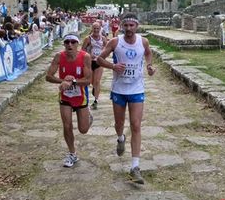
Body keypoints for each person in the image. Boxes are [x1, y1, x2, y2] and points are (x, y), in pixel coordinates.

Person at [96, 13, 156, 184]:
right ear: (122, 26)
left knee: (136, 125)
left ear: (136, 26)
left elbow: (148, 54)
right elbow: (99, 59)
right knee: (119, 124)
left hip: (137, 88)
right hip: (119, 89)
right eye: (126, 26)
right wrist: (113, 66)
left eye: (132, 25)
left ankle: (135, 167)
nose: (129, 29)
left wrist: (150, 66)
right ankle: (120, 138)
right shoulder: (115, 42)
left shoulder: (143, 41)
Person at [45, 33, 92, 168]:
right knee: (67, 125)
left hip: (80, 96)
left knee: (83, 129)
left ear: (77, 44)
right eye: (67, 42)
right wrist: (63, 81)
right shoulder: (59, 56)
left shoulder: (85, 57)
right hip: (65, 97)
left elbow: (88, 80)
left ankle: (88, 117)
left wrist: (74, 82)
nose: (69, 45)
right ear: (64, 44)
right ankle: (72, 153)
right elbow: (48, 76)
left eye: (73, 42)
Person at [81, 22, 107, 110]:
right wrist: (88, 54)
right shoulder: (88, 39)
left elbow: (106, 49)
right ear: (92, 29)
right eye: (94, 28)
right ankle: (94, 90)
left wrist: (102, 55)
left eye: (97, 29)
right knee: (91, 82)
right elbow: (82, 50)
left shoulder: (103, 39)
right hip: (89, 62)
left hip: (99, 62)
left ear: (100, 29)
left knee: (97, 81)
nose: (96, 30)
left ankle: (96, 101)